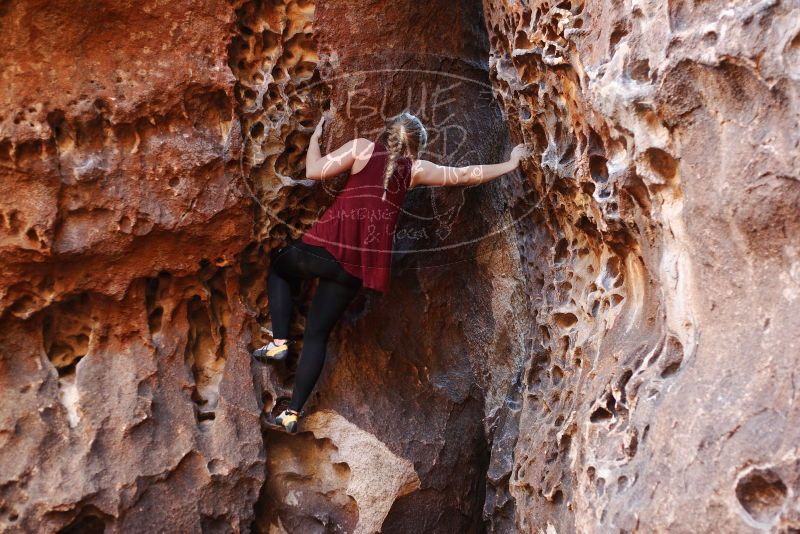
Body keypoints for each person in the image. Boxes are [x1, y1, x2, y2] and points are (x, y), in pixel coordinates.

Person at [253, 111, 527, 433]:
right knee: (317, 335)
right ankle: (292, 412)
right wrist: (510, 164)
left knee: (280, 267)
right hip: (355, 270)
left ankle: (280, 341)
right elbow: (465, 174)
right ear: (417, 146)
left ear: (386, 133)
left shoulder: (362, 149)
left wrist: (314, 139)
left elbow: (314, 170)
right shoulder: (416, 170)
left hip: (326, 249)